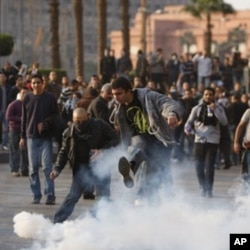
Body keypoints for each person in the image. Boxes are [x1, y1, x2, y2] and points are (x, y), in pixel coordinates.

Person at [110, 76, 182, 202]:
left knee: (152, 178)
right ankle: (130, 170)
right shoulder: (119, 107)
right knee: (138, 147)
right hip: (140, 139)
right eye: (114, 94)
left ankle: (150, 202)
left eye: (119, 94)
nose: (116, 97)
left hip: (158, 140)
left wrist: (171, 114)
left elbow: (167, 102)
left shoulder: (147, 96)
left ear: (129, 91)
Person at [50, 107, 119, 223]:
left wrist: (102, 150)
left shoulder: (100, 126)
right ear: (73, 120)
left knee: (103, 198)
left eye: (83, 121)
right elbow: (63, 152)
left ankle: (97, 221)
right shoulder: (68, 133)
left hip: (100, 167)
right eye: (77, 121)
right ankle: (58, 221)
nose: (80, 124)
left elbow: (116, 139)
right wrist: (57, 169)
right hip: (81, 169)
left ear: (87, 117)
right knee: (73, 196)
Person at [19, 74, 59, 205]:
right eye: (34, 83)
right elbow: (24, 119)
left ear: (43, 83)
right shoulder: (27, 98)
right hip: (31, 137)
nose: (36, 85)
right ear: (31, 84)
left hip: (46, 137)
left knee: (47, 167)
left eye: (38, 82)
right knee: (33, 169)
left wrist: (46, 123)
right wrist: (22, 137)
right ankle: (36, 195)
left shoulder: (50, 98)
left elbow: (56, 116)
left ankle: (50, 195)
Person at [184, 87, 228, 197]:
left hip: (212, 141)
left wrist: (216, 110)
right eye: (206, 94)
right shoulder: (197, 108)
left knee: (209, 167)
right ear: (203, 95)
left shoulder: (219, 108)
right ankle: (202, 187)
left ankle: (209, 190)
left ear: (214, 96)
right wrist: (188, 129)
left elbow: (224, 121)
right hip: (199, 140)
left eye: (210, 94)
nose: (208, 96)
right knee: (198, 166)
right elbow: (189, 122)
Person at [6, 87, 29, 177]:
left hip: (26, 130)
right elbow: (9, 117)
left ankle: (24, 169)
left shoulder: (29, 104)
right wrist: (21, 120)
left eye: (26, 93)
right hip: (15, 130)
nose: (24, 94)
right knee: (14, 149)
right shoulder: (13, 104)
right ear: (20, 93)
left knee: (25, 151)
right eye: (23, 93)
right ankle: (14, 169)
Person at [233, 108, 250, 186]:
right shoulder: (249, 112)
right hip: (249, 148)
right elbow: (240, 126)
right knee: (246, 175)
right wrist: (236, 142)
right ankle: (246, 194)